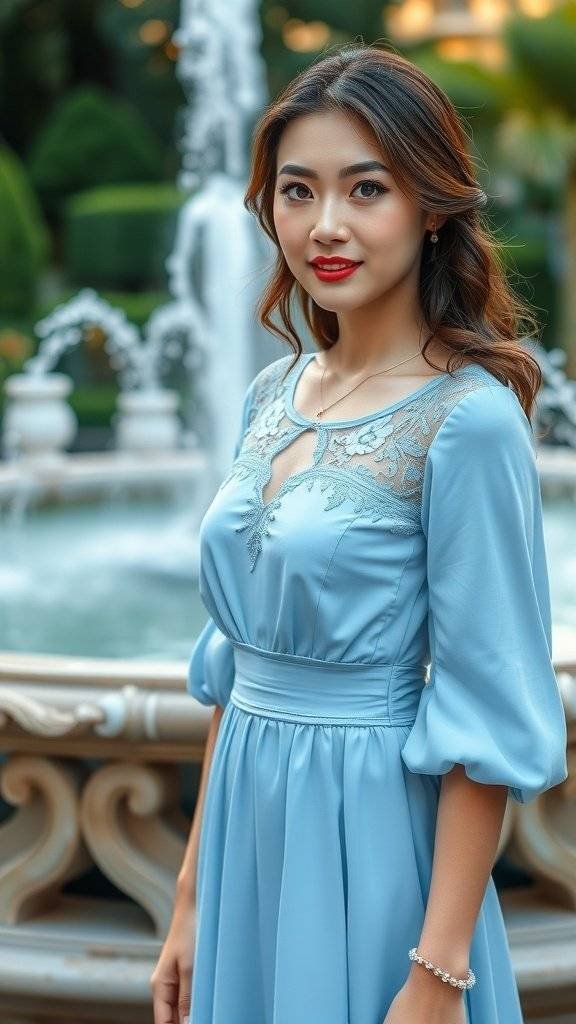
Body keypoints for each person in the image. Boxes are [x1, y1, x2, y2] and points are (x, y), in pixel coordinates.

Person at [150, 42, 568, 1024]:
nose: (324, 225)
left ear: (431, 208)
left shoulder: (467, 421)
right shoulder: (271, 392)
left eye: (365, 189)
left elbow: (485, 713)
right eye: (297, 191)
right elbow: (235, 670)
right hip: (247, 831)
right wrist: (189, 895)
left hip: (371, 837)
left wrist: (436, 975)